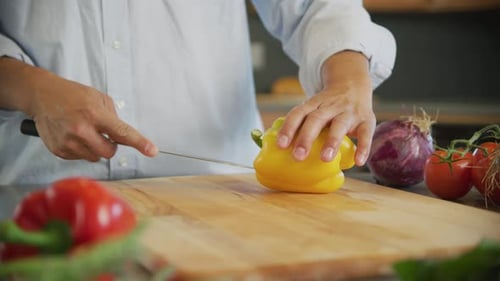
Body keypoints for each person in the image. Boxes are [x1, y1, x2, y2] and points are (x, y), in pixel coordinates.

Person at [0, 1, 396, 185]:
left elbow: (315, 6)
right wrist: (34, 90)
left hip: (225, 201)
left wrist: (347, 79)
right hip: (33, 197)